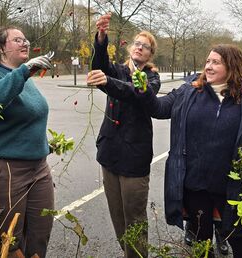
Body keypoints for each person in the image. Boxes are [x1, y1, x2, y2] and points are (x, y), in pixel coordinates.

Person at [137, 44, 242, 257]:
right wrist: (145, 91)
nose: (208, 67)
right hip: (196, 185)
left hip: (232, 186)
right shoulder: (189, 91)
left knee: (239, 241)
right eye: (208, 61)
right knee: (202, 242)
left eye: (216, 62)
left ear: (232, 67)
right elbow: (158, 108)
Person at [0, 26, 54, 258]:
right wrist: (25, 71)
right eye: (17, 40)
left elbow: (29, 119)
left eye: (26, 39)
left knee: (40, 234)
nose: (25, 43)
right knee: (7, 242)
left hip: (38, 169)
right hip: (4, 171)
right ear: (1, 48)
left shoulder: (24, 78)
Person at [86, 13, 161, 258]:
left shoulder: (151, 78)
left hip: (134, 158)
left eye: (146, 46)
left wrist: (107, 81)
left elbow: (134, 92)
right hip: (109, 154)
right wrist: (101, 37)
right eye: (137, 43)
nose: (140, 47)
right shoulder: (117, 69)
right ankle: (127, 253)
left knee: (135, 218)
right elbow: (100, 66)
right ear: (130, 48)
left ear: (150, 55)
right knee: (117, 216)